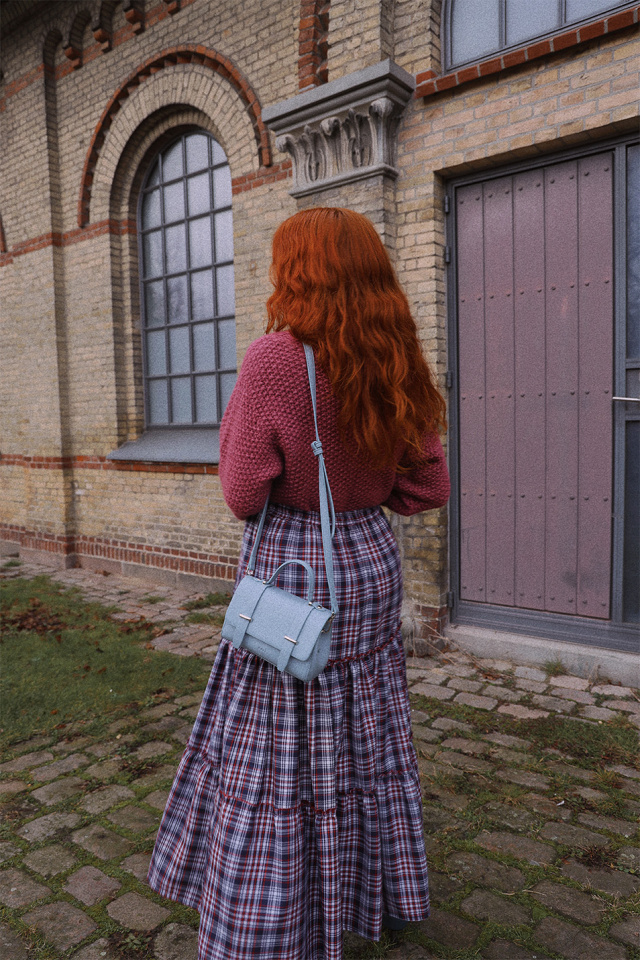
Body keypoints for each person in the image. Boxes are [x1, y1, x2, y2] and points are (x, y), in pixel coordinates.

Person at [147, 207, 450, 960]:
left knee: (275, 744)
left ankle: (269, 920)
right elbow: (428, 486)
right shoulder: (394, 354)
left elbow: (243, 491)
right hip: (368, 564)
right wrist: (362, 489)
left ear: (299, 272)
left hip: (295, 571)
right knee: (364, 735)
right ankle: (361, 892)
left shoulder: (275, 361)